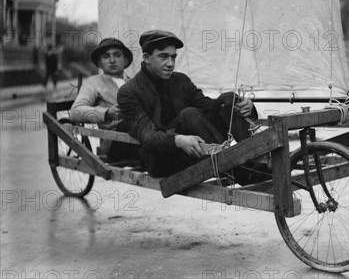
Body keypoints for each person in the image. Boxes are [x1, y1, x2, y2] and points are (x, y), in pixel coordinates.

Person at [117, 30, 260, 181]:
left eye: (173, 57)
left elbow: (209, 108)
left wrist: (246, 106)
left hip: (194, 149)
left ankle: (260, 158)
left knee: (228, 98)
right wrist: (178, 140)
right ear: (146, 58)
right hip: (161, 159)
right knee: (188, 114)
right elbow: (148, 136)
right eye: (163, 57)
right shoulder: (129, 91)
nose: (170, 64)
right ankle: (244, 173)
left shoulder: (180, 81)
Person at [70, 38, 139, 162]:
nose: (112, 60)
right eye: (106, 56)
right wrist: (107, 113)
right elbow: (76, 111)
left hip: (138, 136)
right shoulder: (94, 82)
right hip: (114, 143)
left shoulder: (134, 82)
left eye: (117, 55)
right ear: (100, 63)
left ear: (125, 60)